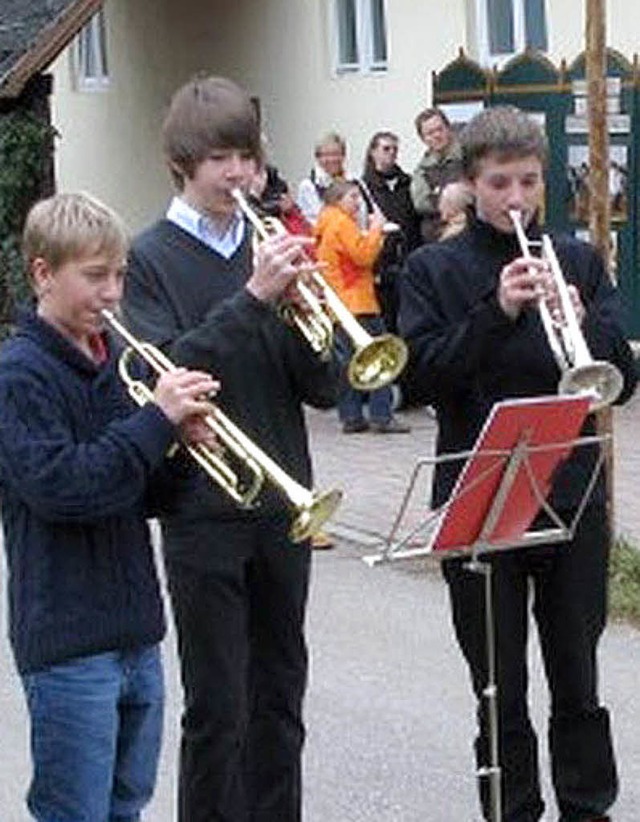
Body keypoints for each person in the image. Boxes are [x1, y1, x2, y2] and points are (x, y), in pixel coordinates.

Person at [400, 106, 637, 822]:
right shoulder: (433, 269)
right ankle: (513, 809)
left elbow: (621, 376)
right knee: (497, 684)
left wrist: (585, 318)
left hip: (570, 496)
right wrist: (494, 311)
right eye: (500, 182)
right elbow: (419, 382)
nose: (516, 199)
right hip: (481, 501)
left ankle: (587, 809)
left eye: (528, 182)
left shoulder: (580, 260)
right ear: (471, 184)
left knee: (578, 678)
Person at [122, 75, 340, 822]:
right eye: (222, 158)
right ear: (184, 163)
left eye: (247, 156)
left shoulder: (268, 245)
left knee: (281, 698)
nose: (241, 174)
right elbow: (167, 371)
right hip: (203, 510)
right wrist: (252, 297)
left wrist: (310, 315)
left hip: (285, 507)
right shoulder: (148, 257)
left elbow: (325, 387)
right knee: (219, 710)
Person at [0, 192, 218, 821]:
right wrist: (155, 424)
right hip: (68, 642)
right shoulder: (19, 375)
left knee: (127, 806)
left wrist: (180, 448)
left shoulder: (118, 364)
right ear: (44, 273)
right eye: (95, 276)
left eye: (119, 274)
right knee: (75, 813)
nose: (113, 293)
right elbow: (65, 488)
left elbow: (139, 493)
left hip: (135, 633)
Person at [315, 179, 410, 435]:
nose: (357, 203)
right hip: (358, 302)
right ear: (338, 200)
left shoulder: (325, 223)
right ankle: (382, 415)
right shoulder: (342, 223)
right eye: (353, 198)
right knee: (380, 359)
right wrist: (377, 229)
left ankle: (351, 416)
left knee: (346, 365)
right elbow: (364, 256)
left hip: (338, 304)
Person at [360, 130, 421, 333]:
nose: (392, 153)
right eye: (386, 149)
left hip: (408, 259)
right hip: (380, 263)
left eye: (395, 149)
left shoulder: (408, 183)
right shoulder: (363, 187)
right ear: (373, 152)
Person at [410, 107, 463, 243]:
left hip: (468, 235)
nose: (436, 135)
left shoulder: (469, 158)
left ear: (448, 129)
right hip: (436, 239)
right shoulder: (422, 170)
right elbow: (421, 203)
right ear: (423, 139)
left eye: (440, 129)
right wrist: (457, 197)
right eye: (430, 133)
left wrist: (437, 193)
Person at [296, 131, 349, 224]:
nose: (331, 159)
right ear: (318, 158)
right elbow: (312, 220)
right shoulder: (308, 186)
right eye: (326, 155)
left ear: (343, 156)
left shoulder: (354, 182)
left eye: (335, 154)